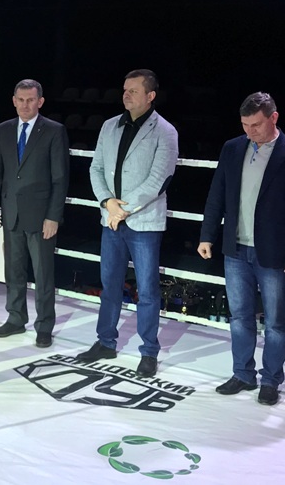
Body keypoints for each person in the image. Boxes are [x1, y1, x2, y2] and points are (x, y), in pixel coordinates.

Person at [197, 92, 285, 406]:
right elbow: (216, 195)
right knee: (239, 316)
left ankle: (271, 380)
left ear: (273, 117)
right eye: (245, 125)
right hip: (235, 248)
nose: (251, 131)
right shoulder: (232, 148)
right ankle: (243, 374)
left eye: (257, 125)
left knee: (276, 321)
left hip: (276, 252)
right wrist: (207, 236)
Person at [78, 69, 179, 377]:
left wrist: (122, 210)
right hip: (110, 219)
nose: (126, 94)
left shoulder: (166, 131)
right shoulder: (109, 126)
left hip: (142, 222)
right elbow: (96, 168)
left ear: (150, 96)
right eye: (125, 89)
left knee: (147, 289)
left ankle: (149, 351)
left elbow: (159, 179)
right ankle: (105, 341)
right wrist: (107, 202)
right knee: (109, 284)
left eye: (133, 90)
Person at [0, 79, 69, 348]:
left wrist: (53, 216)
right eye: (20, 100)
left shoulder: (54, 131)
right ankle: (16, 318)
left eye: (30, 100)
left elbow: (60, 178)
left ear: (40, 101)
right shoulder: (3, 130)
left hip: (41, 216)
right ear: (14, 101)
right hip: (11, 213)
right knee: (13, 271)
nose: (25, 105)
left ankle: (44, 326)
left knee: (43, 275)